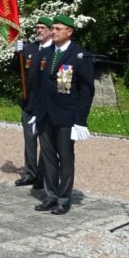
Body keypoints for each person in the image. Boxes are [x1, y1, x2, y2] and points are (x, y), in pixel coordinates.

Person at [30, 14, 95, 214]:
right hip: (45, 114)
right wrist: (35, 112)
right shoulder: (46, 52)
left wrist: (80, 121)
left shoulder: (79, 56)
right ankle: (51, 195)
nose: (54, 31)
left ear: (70, 31)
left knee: (65, 157)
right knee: (48, 157)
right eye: (54, 28)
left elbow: (86, 90)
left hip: (66, 115)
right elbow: (39, 84)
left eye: (59, 28)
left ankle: (64, 198)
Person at [13, 16, 54, 188]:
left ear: (51, 30)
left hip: (47, 102)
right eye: (37, 27)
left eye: (43, 27)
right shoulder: (30, 48)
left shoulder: (55, 50)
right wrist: (17, 53)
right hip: (29, 101)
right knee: (29, 138)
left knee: (46, 140)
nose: (39, 30)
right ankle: (30, 172)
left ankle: (42, 175)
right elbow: (16, 70)